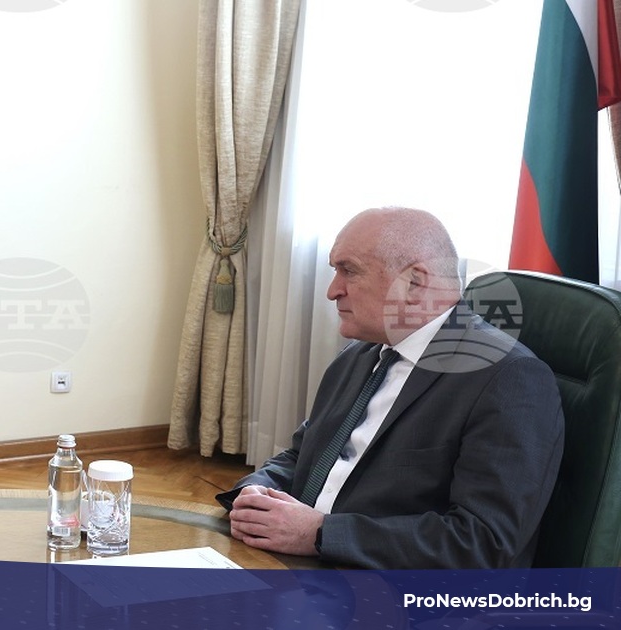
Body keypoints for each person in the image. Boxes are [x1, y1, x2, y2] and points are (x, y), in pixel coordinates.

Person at [219, 207, 564, 569]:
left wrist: (321, 534)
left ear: (414, 283)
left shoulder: (509, 379)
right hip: (298, 562)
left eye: (349, 271)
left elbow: (483, 542)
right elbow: (302, 456)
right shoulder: (359, 354)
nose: (333, 291)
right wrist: (253, 493)